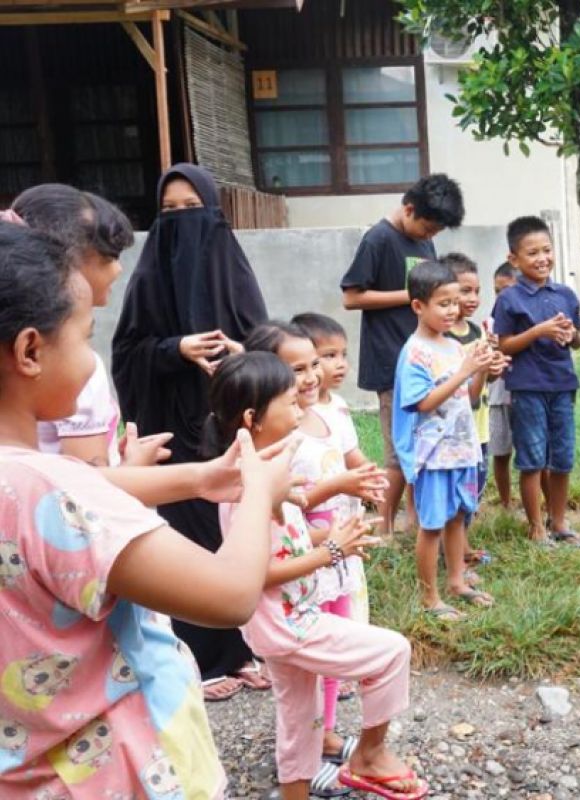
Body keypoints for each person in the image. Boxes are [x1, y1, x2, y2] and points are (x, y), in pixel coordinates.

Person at [0, 222, 295, 797]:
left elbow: (66, 495)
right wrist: (259, 487)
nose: (90, 359)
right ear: (30, 350)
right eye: (85, 336)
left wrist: (202, 477)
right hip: (115, 775)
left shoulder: (30, 482)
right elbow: (230, 595)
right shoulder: (55, 488)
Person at [209, 352, 427, 800]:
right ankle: (368, 755)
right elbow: (256, 570)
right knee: (391, 652)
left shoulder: (271, 466)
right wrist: (330, 551)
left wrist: (329, 533)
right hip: (288, 622)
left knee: (299, 716)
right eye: (289, 403)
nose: (300, 409)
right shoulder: (244, 486)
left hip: (283, 621)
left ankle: (296, 792)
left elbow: (286, 535)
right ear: (253, 417)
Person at [111, 163, 270, 702]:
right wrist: (174, 349)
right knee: (186, 539)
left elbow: (269, 346)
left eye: (192, 209)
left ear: (213, 211)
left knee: (238, 529)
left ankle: (249, 646)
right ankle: (201, 657)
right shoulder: (149, 276)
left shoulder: (234, 269)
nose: (181, 220)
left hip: (230, 430)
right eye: (169, 212)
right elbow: (127, 352)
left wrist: (243, 355)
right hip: (172, 433)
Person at [341, 174, 465, 537]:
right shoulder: (378, 239)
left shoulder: (423, 243)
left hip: (428, 362)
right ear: (409, 209)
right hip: (391, 363)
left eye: (437, 232)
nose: (430, 237)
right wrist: (410, 295)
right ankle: (383, 528)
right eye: (428, 227)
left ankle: (416, 524)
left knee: (425, 452)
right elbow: (352, 296)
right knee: (399, 454)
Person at [394, 261, 508, 620]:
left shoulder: (454, 347)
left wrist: (483, 371)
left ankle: (457, 581)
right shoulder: (414, 352)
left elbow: (470, 396)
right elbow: (422, 403)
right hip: (433, 454)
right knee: (431, 525)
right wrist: (464, 371)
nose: (453, 310)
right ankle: (431, 598)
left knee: (458, 516)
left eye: (455, 303)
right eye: (443, 303)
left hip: (462, 448)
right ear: (418, 306)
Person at [13, 185, 137, 467]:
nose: (118, 270)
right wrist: (134, 469)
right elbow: (86, 489)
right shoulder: (72, 367)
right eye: (107, 258)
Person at [493, 216, 580, 547]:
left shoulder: (565, 294)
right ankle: (536, 526)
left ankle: (559, 522)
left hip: (562, 384)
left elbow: (578, 341)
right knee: (532, 458)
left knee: (562, 457)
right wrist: (538, 331)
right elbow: (503, 345)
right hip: (527, 387)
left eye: (547, 250)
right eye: (532, 253)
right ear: (514, 259)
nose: (542, 258)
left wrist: (571, 335)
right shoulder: (509, 299)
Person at [292, 312, 375, 626]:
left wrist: (369, 475)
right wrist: (341, 484)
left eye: (343, 355)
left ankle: (346, 669)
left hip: (342, 523)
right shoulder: (290, 422)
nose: (339, 364)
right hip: (313, 533)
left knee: (348, 599)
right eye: (328, 356)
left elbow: (348, 452)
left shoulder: (336, 406)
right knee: (322, 610)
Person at [442, 253, 494, 569]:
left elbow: (482, 383)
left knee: (475, 485)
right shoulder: (443, 338)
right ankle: (457, 551)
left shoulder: (476, 331)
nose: (472, 298)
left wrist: (492, 366)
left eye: (476, 291)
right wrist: (480, 368)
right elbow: (465, 394)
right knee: (459, 492)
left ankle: (463, 544)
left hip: (481, 426)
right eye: (464, 291)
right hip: (457, 431)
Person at [488, 263, 519, 507]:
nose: (501, 297)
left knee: (534, 454)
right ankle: (506, 503)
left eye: (506, 290)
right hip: (498, 395)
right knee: (500, 452)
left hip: (524, 393)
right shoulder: (490, 321)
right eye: (497, 291)